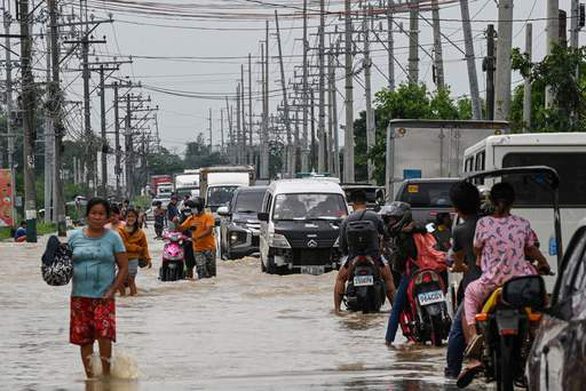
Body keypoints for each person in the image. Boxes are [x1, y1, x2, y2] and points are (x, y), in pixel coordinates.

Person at [459, 182, 550, 381]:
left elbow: (476, 249)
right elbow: (532, 250)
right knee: (543, 301)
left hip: (491, 282)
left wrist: (482, 256)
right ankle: (539, 338)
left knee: (470, 295)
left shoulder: (483, 224)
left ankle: (474, 344)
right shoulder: (523, 223)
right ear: (512, 202)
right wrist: (545, 264)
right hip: (521, 284)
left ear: (491, 202)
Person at [68, 198, 129, 379]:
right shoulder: (74, 237)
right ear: (87, 216)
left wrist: (113, 290)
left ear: (107, 217)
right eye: (93, 213)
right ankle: (91, 378)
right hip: (79, 296)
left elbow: (124, 267)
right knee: (84, 338)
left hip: (104, 296)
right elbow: (63, 264)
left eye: (101, 214)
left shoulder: (114, 238)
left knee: (104, 336)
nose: (97, 217)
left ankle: (107, 376)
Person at [334, 190, 396, 313]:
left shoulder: (346, 220)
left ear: (351, 203)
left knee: (340, 279)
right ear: (366, 202)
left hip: (353, 258)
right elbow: (386, 234)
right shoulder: (375, 217)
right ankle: (395, 309)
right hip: (374, 257)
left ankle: (337, 310)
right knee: (389, 279)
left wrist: (347, 253)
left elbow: (342, 246)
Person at [444, 182, 482, 379]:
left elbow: (456, 261)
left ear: (456, 208)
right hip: (508, 284)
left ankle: (451, 374)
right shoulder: (489, 223)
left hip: (476, 285)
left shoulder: (461, 230)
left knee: (457, 330)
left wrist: (462, 267)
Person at [383, 201, 428, 346]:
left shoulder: (403, 235)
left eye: (393, 219)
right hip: (432, 271)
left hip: (411, 274)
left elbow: (401, 261)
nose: (390, 222)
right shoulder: (420, 227)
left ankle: (388, 340)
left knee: (396, 307)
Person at [176, 197, 217, 279]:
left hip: (209, 248)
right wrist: (176, 222)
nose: (192, 210)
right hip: (197, 249)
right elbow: (180, 229)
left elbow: (209, 230)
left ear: (199, 208)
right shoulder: (191, 219)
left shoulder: (208, 217)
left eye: (193, 208)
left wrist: (197, 237)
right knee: (201, 269)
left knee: (211, 273)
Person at [117, 208, 151, 296]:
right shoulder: (120, 230)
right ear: (125, 218)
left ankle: (133, 296)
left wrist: (148, 259)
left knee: (130, 279)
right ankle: (123, 296)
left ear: (136, 218)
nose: (130, 218)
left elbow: (144, 247)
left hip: (133, 259)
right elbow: (123, 244)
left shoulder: (140, 233)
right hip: (122, 258)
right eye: (128, 216)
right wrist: (136, 248)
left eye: (133, 216)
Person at [178, 200, 197, 279]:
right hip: (187, 242)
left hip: (198, 243)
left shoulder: (197, 217)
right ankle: (190, 276)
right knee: (189, 264)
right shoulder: (183, 217)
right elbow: (180, 228)